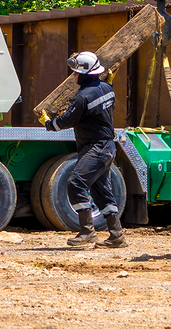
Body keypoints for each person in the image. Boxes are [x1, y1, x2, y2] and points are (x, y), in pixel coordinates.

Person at [45, 50, 125, 248]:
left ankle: (87, 232)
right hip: (106, 147)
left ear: (85, 73)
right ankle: (116, 236)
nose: (73, 76)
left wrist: (49, 123)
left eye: (75, 72)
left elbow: (66, 121)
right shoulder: (107, 88)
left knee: (76, 183)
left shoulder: (83, 97)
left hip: (96, 148)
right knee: (101, 191)